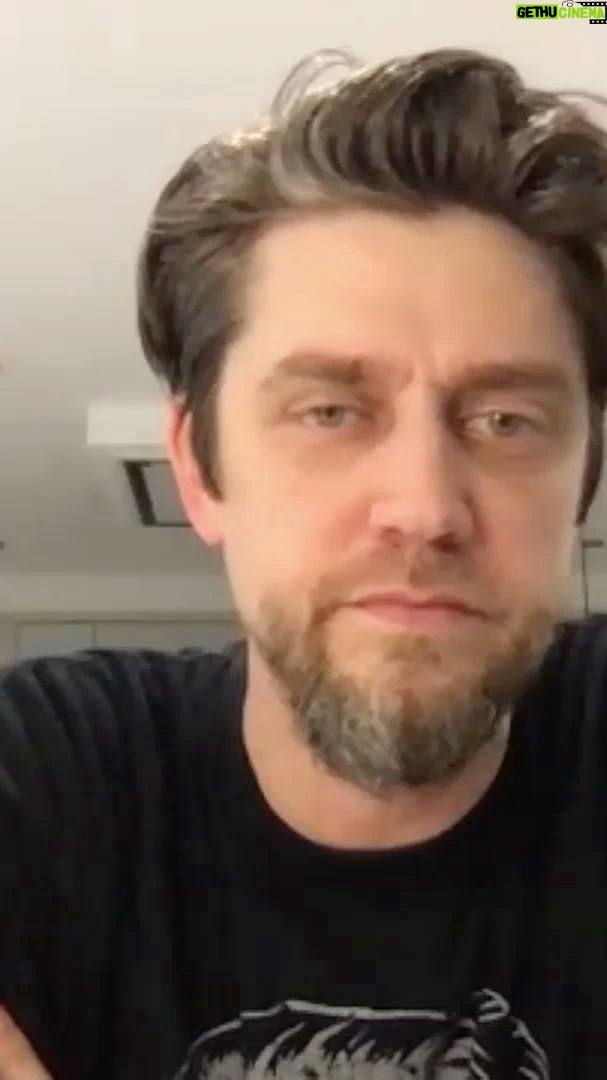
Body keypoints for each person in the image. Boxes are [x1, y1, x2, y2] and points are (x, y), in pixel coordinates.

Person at [2, 45, 607, 1080]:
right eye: (329, 411)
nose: (423, 509)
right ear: (199, 468)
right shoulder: (54, 774)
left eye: (505, 420)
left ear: (584, 481)